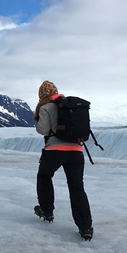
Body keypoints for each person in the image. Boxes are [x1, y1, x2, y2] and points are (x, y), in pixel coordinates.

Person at [33, 80, 93, 240]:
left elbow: (43, 130)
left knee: (44, 177)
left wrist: (37, 118)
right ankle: (85, 227)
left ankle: (47, 211)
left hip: (54, 151)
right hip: (76, 152)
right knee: (77, 188)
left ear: (42, 95)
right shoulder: (71, 107)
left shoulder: (46, 107)